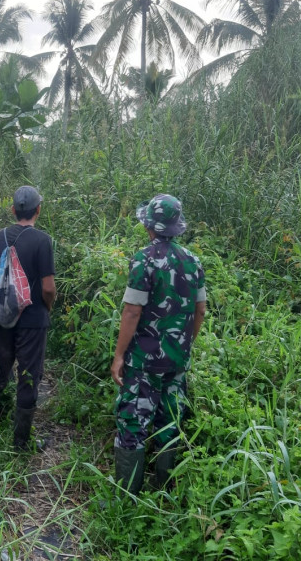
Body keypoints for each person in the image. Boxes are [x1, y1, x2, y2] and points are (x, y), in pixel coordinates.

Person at [111, 194, 206, 494]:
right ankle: (164, 490)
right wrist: (185, 344)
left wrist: (118, 356)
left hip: (143, 361)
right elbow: (200, 310)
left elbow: (132, 311)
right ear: (177, 227)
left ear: (149, 226)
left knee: (133, 423)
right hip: (177, 360)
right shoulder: (193, 261)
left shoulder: (144, 259)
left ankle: (127, 498)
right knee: (170, 421)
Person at [0, 186, 56, 451]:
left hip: (4, 316)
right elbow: (48, 288)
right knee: (28, 374)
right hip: (33, 319)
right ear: (38, 209)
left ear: (13, 210)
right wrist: (46, 307)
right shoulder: (42, 240)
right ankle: (21, 442)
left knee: (0, 364)